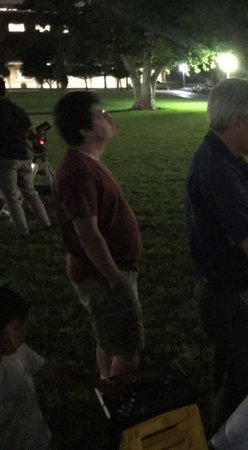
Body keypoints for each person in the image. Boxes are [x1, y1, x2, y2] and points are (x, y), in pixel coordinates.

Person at [184, 78, 248, 435]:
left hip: (242, 294)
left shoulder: (229, 159)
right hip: (234, 300)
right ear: (237, 121)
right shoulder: (220, 172)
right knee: (240, 392)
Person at [52, 92, 144, 378]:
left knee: (109, 339)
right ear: (85, 130)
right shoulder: (79, 171)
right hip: (103, 276)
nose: (109, 117)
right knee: (127, 351)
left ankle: (107, 390)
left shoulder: (86, 164)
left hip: (107, 273)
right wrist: (115, 279)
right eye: (101, 113)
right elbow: (87, 234)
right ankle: (119, 405)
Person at [0, 286, 110, 450]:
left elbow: (55, 373)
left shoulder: (18, 353)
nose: (25, 332)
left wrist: (99, 383)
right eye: (17, 327)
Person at [0, 77, 51, 236]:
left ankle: (22, 231)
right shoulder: (17, 109)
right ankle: (46, 223)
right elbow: (32, 133)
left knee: (12, 197)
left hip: (5, 158)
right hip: (24, 157)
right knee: (30, 193)